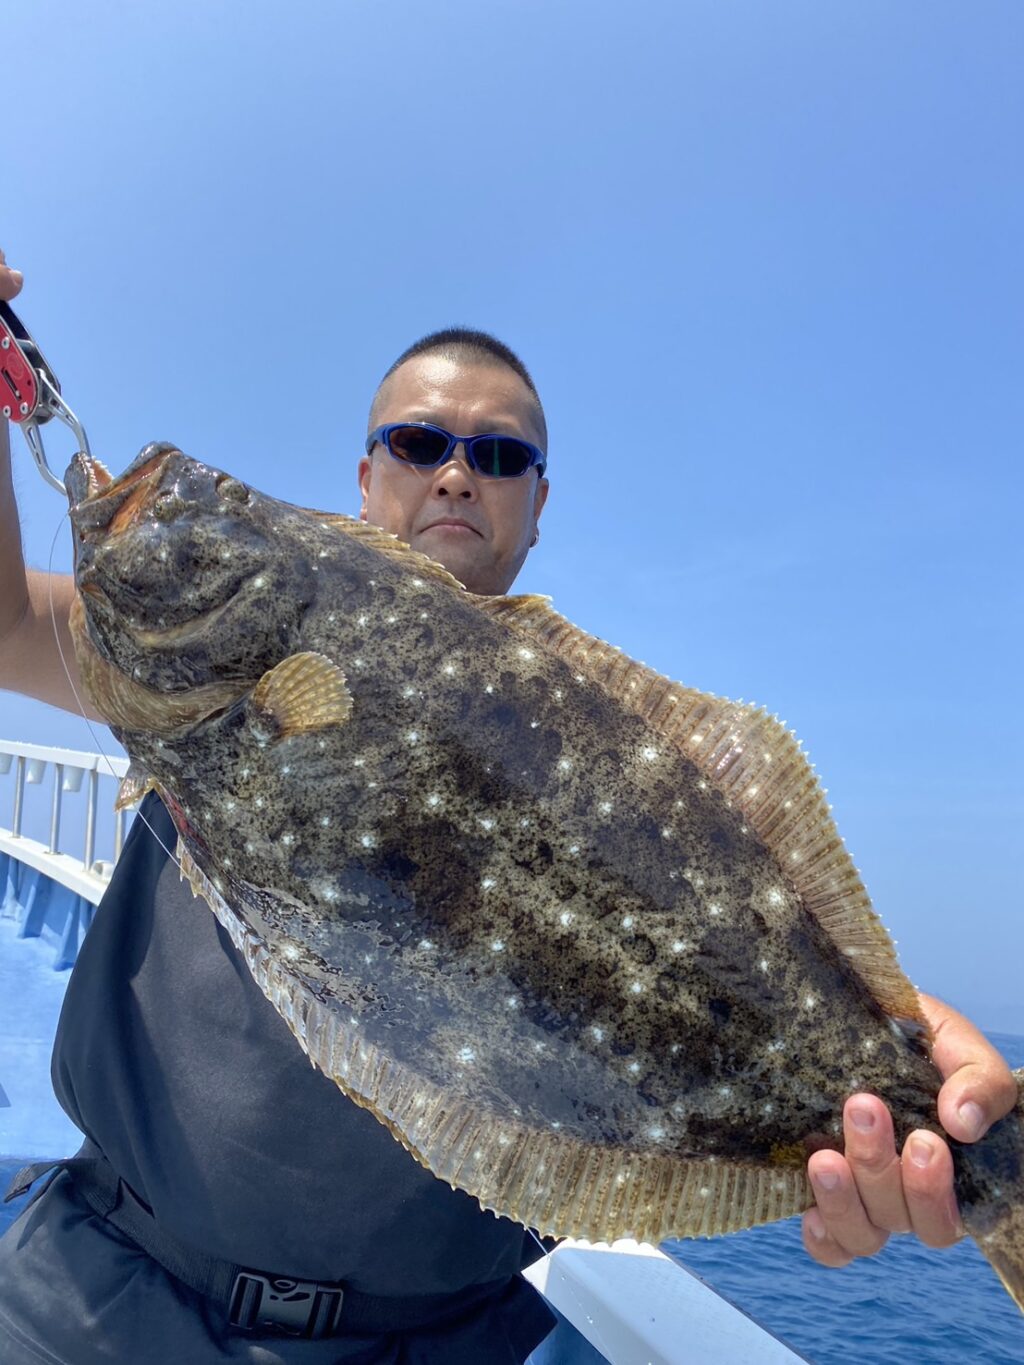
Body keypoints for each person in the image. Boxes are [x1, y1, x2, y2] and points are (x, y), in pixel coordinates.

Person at [0, 250, 1016, 1364]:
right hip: (97, 1287)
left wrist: (900, 1044)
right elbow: (6, 624)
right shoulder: (181, 670)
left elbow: (693, 943)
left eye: (497, 456)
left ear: (536, 505)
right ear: (364, 479)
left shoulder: (587, 748)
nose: (454, 475)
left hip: (430, 1344)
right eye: (418, 443)